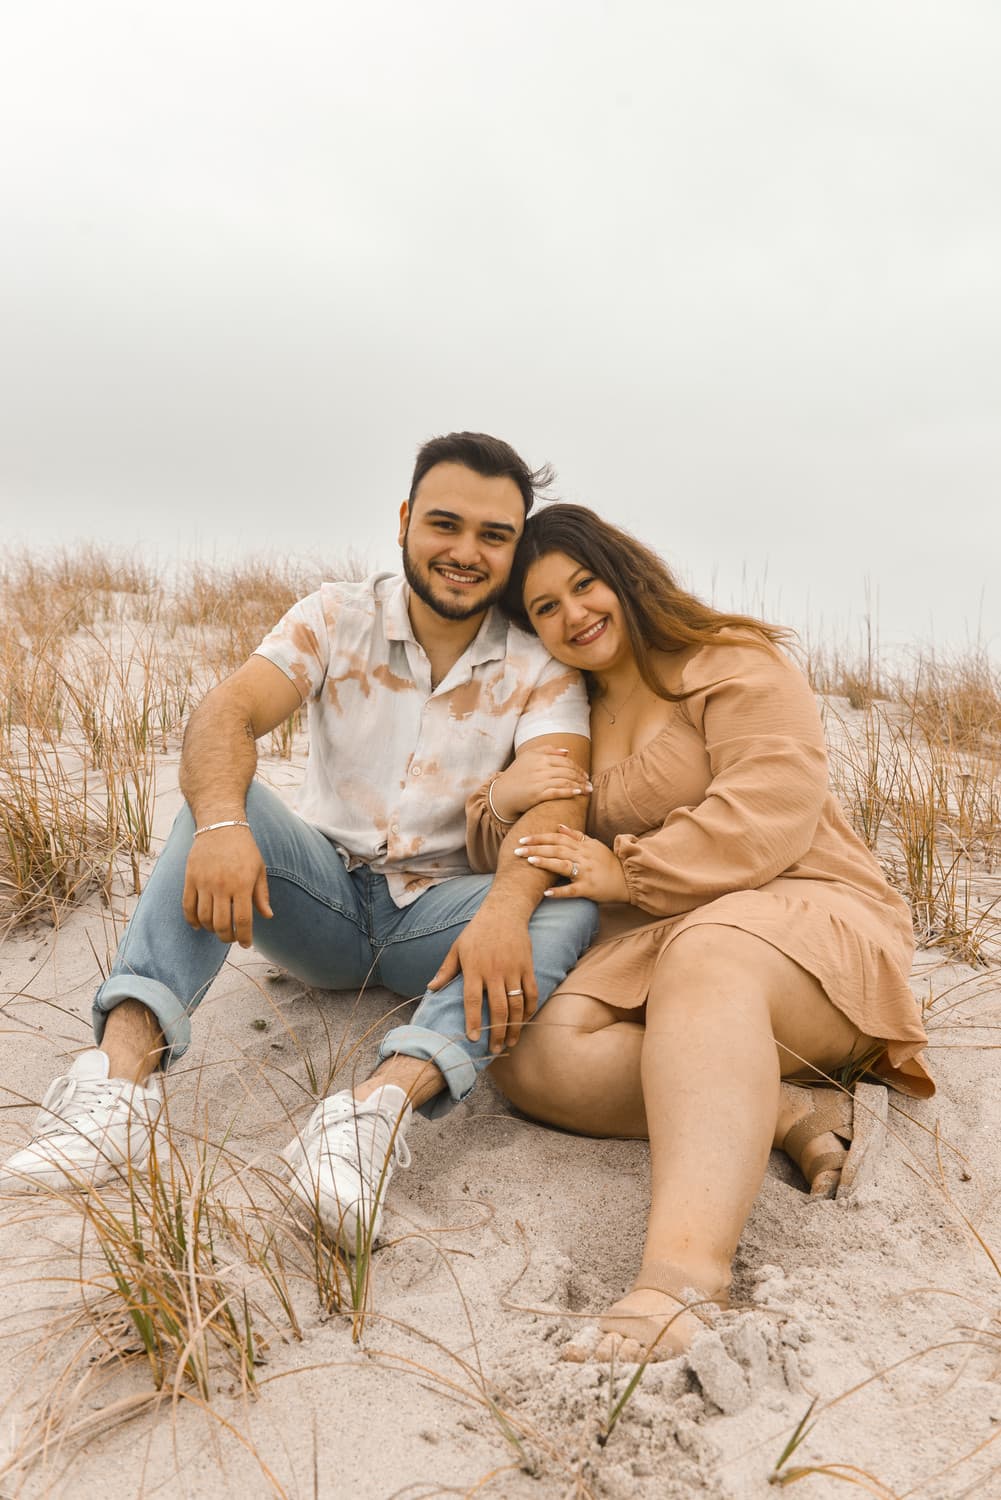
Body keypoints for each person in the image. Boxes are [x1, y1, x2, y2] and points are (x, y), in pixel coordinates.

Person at [2, 434, 599, 1254]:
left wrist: (501, 912)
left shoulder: (539, 663)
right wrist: (222, 825)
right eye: (445, 524)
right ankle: (117, 1091)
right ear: (404, 520)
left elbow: (555, 797)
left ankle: (369, 1117)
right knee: (228, 801)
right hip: (319, 901)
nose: (466, 552)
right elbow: (227, 712)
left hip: (438, 925)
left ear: (514, 545)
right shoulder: (337, 615)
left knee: (563, 900)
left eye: (493, 535)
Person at [466, 503, 932, 1360]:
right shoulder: (564, 708)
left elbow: (770, 811)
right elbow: (522, 842)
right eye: (544, 607)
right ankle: (782, 1108)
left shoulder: (728, 662)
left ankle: (679, 1283)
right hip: (659, 944)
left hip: (802, 915)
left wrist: (628, 873)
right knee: (526, 1047)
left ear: (623, 572)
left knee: (709, 954)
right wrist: (500, 799)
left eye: (584, 584)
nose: (573, 614)